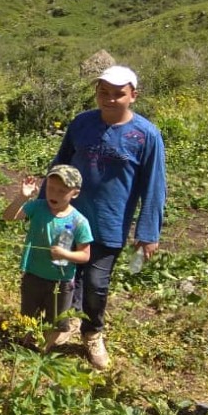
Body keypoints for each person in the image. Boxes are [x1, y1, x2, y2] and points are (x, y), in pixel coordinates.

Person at [47, 65, 166, 370]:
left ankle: (92, 332)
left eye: (118, 94)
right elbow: (60, 164)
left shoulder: (145, 135)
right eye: (104, 93)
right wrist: (40, 205)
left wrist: (148, 232)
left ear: (133, 96)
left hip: (108, 223)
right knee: (64, 276)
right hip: (69, 218)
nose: (110, 99)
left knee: (97, 284)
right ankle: (64, 324)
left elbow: (154, 185)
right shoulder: (82, 124)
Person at [4, 165, 93, 352]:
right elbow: (9, 216)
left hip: (61, 282)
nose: (55, 194)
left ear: (74, 193)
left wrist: (65, 254)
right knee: (28, 314)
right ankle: (25, 345)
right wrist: (23, 196)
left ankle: (44, 347)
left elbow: (85, 255)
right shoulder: (37, 207)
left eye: (62, 191)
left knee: (57, 320)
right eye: (51, 188)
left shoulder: (79, 221)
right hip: (33, 275)